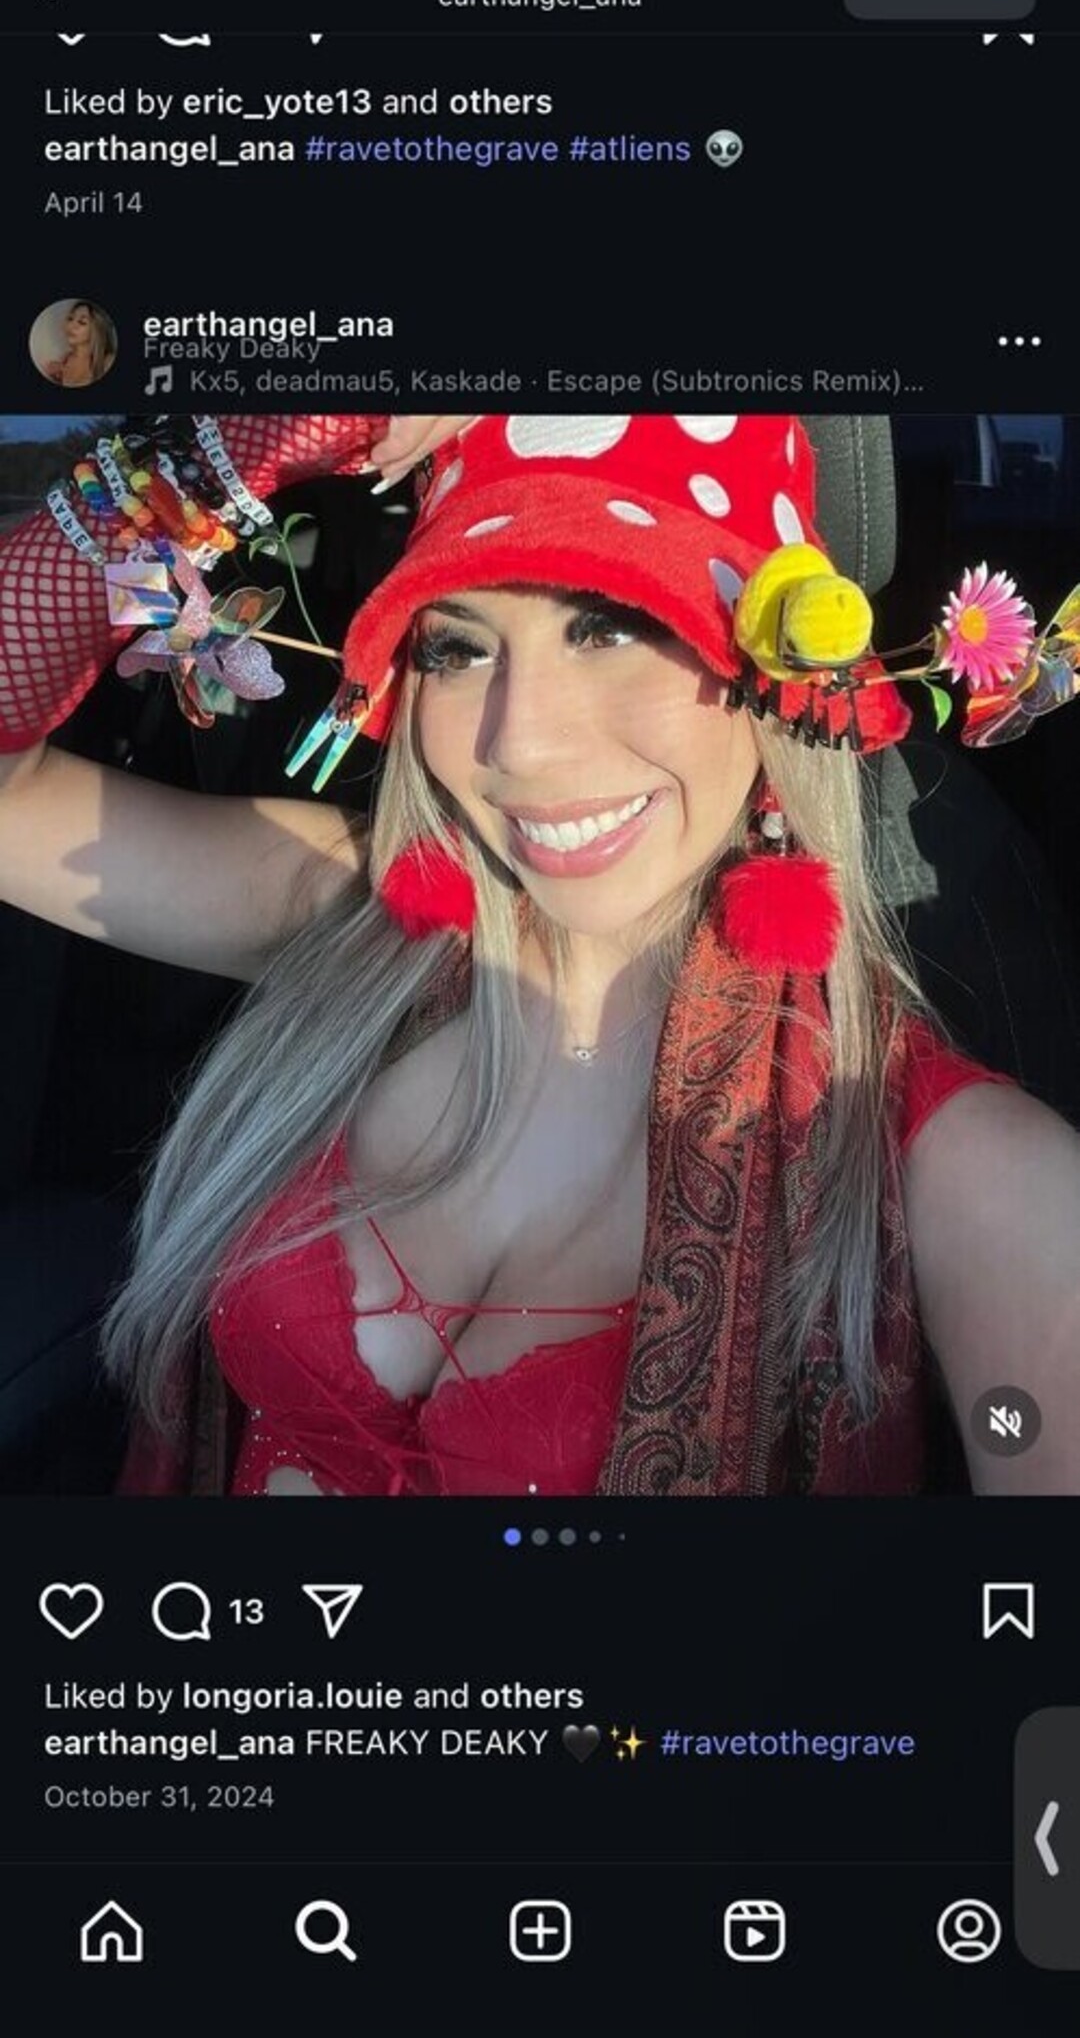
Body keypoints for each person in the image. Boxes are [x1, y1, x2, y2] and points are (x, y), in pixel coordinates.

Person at [1, 411, 1078, 1499]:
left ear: (779, 671)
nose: (520, 741)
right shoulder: (359, 916)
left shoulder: (966, 1173)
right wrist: (254, 438)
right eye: (459, 647)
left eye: (612, 626)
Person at [42, 299, 118, 387]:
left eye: (82, 322)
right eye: (70, 318)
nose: (71, 326)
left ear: (97, 330)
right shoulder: (64, 360)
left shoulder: (108, 361)